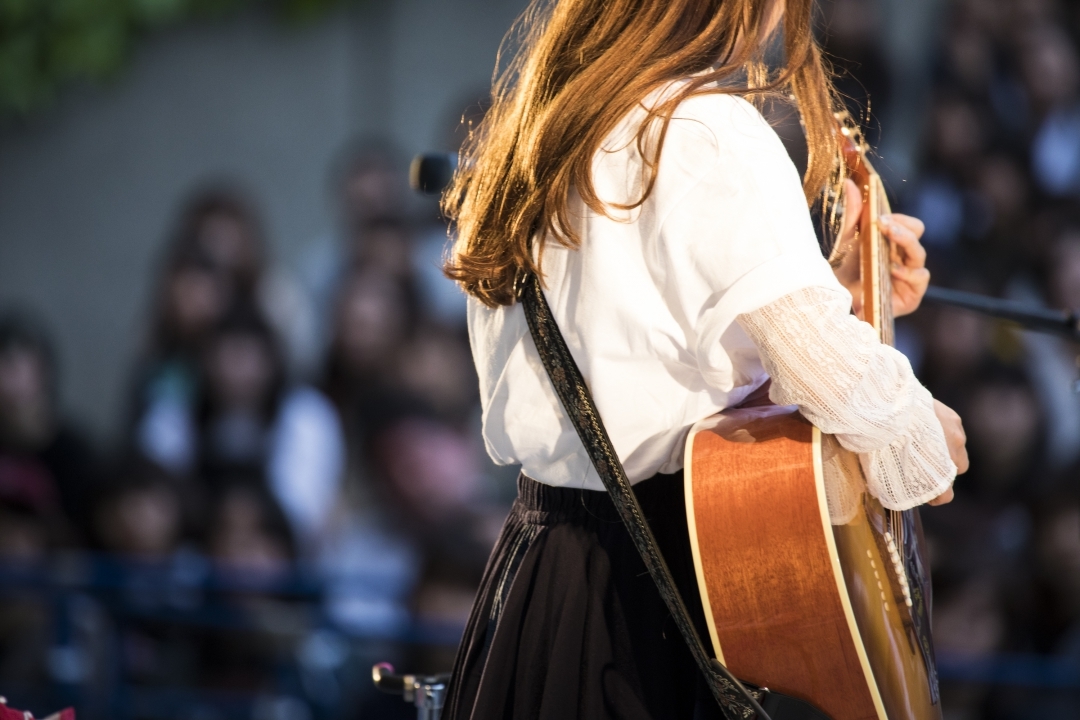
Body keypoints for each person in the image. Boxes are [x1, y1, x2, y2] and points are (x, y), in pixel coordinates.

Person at [439, 0, 971, 718]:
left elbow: (647, 327)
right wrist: (918, 427)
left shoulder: (539, 129)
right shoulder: (704, 131)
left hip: (540, 573)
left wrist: (829, 292)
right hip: (660, 588)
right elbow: (834, 378)